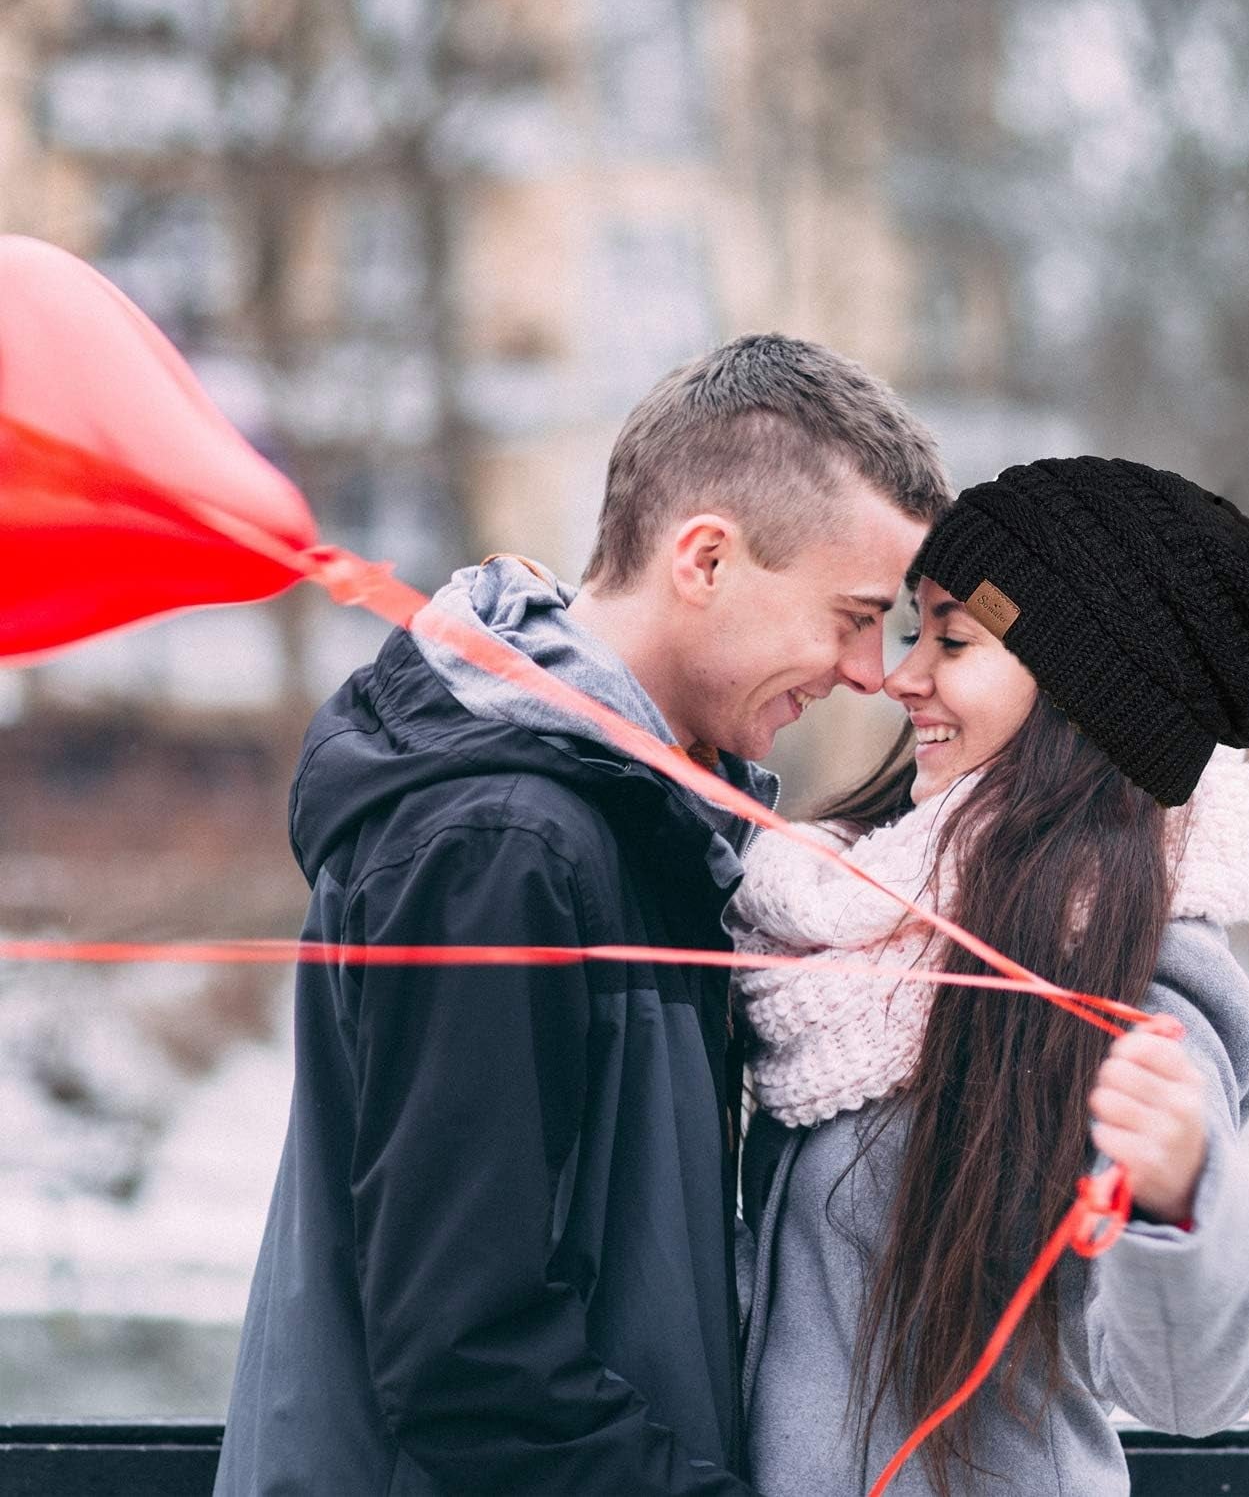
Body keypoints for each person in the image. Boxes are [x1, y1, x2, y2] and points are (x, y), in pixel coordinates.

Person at [214, 334, 951, 1496]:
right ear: (703, 559)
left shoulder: (637, 824)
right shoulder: (503, 848)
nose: (871, 672)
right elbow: (468, 1357)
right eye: (854, 615)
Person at [731, 456, 1249, 1496]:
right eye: (916, 629)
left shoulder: (1139, 981)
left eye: (955, 640)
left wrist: (1174, 1200)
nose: (905, 675)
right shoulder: (840, 928)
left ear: (1081, 696)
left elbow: (1196, 1392)